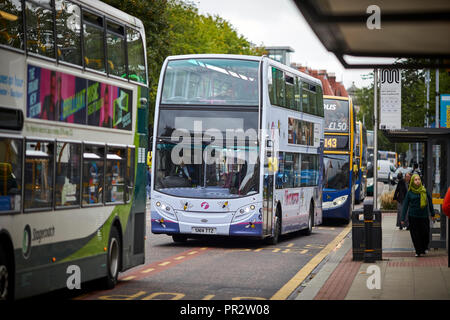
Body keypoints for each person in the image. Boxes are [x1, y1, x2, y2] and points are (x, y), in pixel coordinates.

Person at [401, 174, 435, 257]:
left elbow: (430, 202)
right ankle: (418, 251)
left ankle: (424, 247)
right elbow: (405, 205)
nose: (417, 181)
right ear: (412, 181)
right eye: (415, 180)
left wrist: (433, 213)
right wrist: (402, 218)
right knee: (415, 235)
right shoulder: (410, 193)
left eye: (418, 179)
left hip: (424, 216)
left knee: (425, 233)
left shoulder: (424, 190)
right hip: (413, 216)